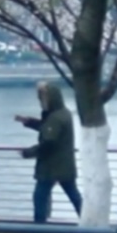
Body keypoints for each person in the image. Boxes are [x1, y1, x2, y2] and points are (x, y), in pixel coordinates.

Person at [17, 80, 82, 223]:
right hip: (65, 165)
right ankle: (90, 223)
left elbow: (48, 141)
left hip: (51, 166)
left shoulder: (55, 118)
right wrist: (29, 122)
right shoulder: (64, 114)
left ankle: (39, 228)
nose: (41, 100)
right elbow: (47, 128)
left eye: (43, 97)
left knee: (40, 197)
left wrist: (28, 152)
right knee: (74, 195)